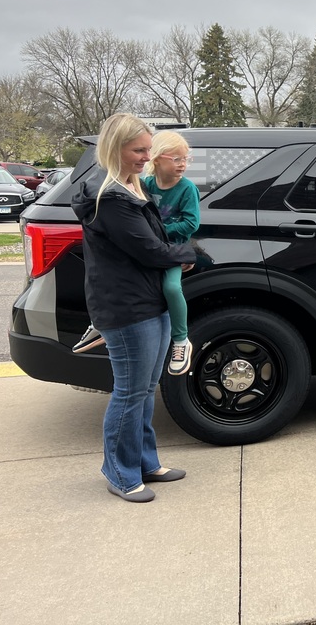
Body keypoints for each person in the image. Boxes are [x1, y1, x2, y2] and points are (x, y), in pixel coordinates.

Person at [72, 113, 197, 503]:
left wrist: (173, 255)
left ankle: (144, 462)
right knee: (129, 392)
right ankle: (119, 472)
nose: (147, 156)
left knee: (145, 389)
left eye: (148, 149)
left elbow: (155, 241)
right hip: (127, 306)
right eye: (139, 150)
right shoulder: (109, 195)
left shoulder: (131, 187)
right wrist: (189, 253)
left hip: (148, 297)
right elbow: (149, 249)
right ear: (116, 149)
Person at [144, 130, 201, 375]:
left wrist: (159, 230)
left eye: (186, 159)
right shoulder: (144, 184)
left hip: (171, 251)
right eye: (176, 159)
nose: (182, 165)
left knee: (171, 288)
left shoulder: (187, 189)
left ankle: (180, 340)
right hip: (146, 248)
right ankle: (100, 324)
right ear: (157, 158)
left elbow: (191, 224)